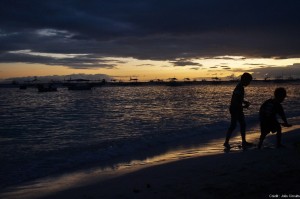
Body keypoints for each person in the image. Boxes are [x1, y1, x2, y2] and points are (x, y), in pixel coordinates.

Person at [224, 72, 253, 149]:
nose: (249, 83)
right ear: (244, 80)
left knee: (242, 124)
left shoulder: (240, 87)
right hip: (235, 109)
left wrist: (244, 102)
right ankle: (226, 142)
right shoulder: (239, 87)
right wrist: (243, 106)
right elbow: (235, 101)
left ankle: (243, 141)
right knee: (234, 125)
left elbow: (239, 98)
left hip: (237, 108)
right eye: (248, 81)